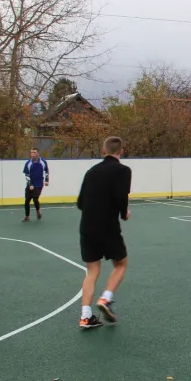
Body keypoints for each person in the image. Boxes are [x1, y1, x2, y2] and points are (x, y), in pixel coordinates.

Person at [76, 136, 132, 328]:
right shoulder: (123, 170)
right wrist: (124, 213)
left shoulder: (91, 171)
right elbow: (120, 196)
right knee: (121, 264)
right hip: (107, 227)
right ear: (121, 151)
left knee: (92, 271)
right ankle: (106, 298)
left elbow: (80, 203)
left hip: (86, 227)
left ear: (103, 150)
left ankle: (85, 316)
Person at [22, 147, 49, 221]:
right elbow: (27, 175)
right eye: (31, 153)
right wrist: (30, 184)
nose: (33, 154)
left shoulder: (43, 162)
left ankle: (38, 211)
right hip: (30, 184)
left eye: (34, 152)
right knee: (27, 200)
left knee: (35, 199)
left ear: (38, 153)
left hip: (39, 184)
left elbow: (46, 171)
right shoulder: (28, 163)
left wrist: (47, 180)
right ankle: (27, 216)